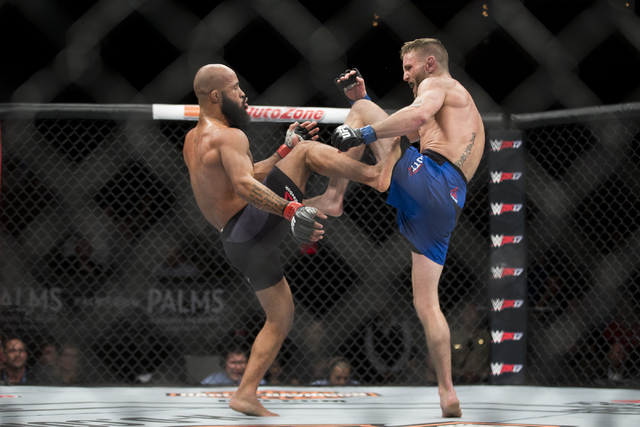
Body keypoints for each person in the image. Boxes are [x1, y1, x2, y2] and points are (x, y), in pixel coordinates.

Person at [183, 64, 400, 416]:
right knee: (307, 152)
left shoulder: (194, 139)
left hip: (236, 241)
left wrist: (283, 151)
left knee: (281, 315)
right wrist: (290, 210)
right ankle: (375, 175)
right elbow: (244, 185)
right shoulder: (230, 136)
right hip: (250, 225)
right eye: (236, 88)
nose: (243, 94)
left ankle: (245, 394)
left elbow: (246, 174)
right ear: (216, 96)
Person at [309, 38, 485, 417]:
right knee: (427, 304)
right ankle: (447, 393)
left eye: (409, 67)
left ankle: (334, 196)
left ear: (430, 63)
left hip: (434, 179)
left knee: (360, 112)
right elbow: (407, 133)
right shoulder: (459, 104)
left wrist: (361, 127)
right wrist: (367, 104)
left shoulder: (437, 84)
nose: (405, 75)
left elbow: (416, 117)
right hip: (450, 203)